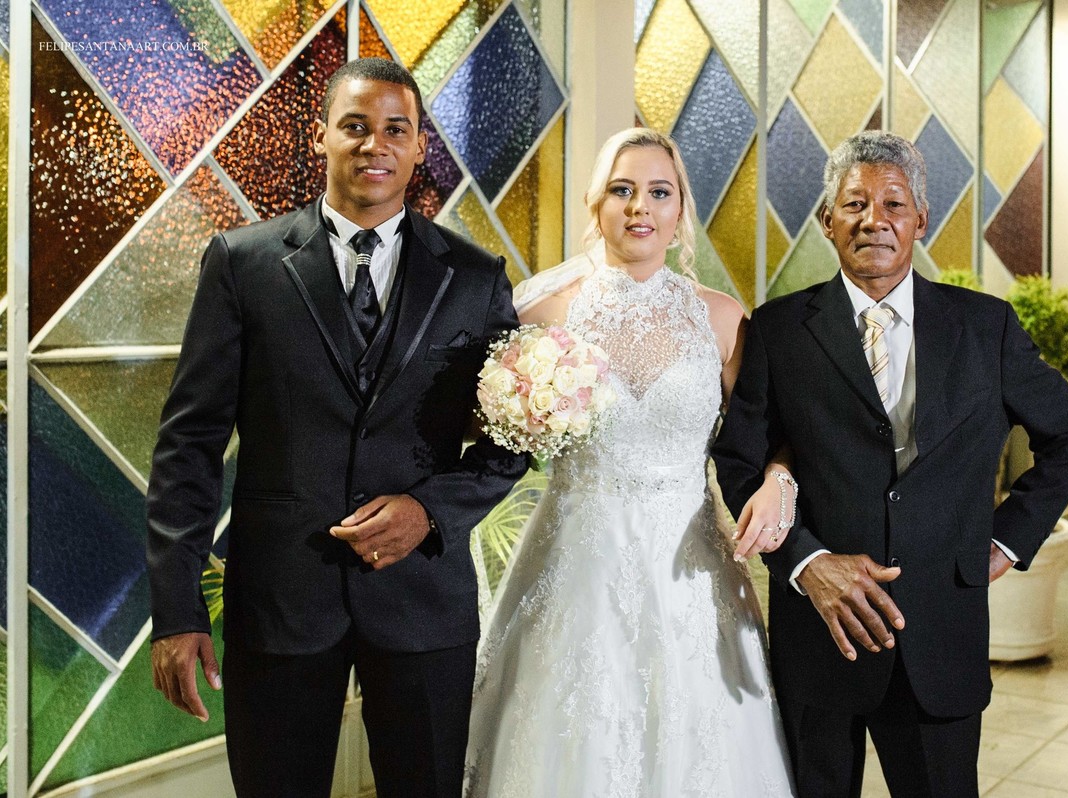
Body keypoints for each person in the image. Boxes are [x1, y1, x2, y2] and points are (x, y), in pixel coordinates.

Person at [146, 57, 527, 798]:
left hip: (423, 606)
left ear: (419, 148)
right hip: (279, 602)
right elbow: (188, 445)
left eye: (396, 129)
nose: (374, 144)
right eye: (355, 126)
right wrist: (176, 610)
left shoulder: (476, 277)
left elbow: (513, 441)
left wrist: (429, 511)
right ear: (320, 135)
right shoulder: (242, 264)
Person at [712, 130, 1068, 797]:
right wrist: (806, 562)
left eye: (893, 204)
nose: (874, 220)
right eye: (854, 204)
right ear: (827, 221)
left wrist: (1007, 540)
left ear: (921, 220)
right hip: (819, 635)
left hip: (940, 633)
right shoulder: (779, 330)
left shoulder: (986, 327)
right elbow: (741, 461)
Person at [463, 127, 795, 796]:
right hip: (575, 559)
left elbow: (773, 435)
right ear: (596, 203)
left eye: (659, 192)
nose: (640, 206)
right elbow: (476, 422)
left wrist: (778, 479)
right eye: (623, 190)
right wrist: (517, 408)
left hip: (690, 568)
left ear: (680, 211)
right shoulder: (542, 311)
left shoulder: (722, 318)